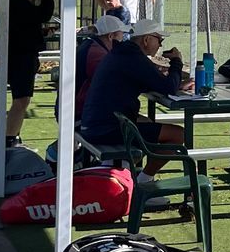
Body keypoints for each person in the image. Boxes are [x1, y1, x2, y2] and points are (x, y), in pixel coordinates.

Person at [78, 18, 187, 177]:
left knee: (148, 124)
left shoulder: (124, 52)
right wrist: (177, 62)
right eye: (160, 40)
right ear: (146, 39)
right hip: (105, 127)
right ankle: (144, 181)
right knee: (178, 135)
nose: (161, 45)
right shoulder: (133, 56)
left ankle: (123, 169)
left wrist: (173, 82)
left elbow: (154, 83)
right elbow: (167, 87)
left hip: (96, 122)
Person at [2, 0, 55, 149]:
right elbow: (43, 14)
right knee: (22, 99)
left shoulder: (10, 0)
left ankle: (12, 136)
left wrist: (39, 32)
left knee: (22, 99)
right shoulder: (15, 0)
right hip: (21, 55)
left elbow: (25, 24)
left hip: (20, 52)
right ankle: (10, 139)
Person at [74, 15, 130, 119]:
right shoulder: (97, 54)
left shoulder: (91, 45)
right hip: (81, 114)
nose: (122, 40)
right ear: (111, 36)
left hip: (78, 110)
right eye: (121, 36)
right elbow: (116, 82)